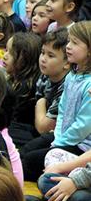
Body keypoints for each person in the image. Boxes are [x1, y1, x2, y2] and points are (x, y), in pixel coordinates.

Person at [20, 21, 91, 181]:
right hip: (64, 137)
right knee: (26, 150)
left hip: (81, 145)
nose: (68, 47)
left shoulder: (89, 83)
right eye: (69, 42)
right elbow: (63, 110)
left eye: (75, 43)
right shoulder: (72, 76)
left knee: (31, 161)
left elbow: (83, 125)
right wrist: (58, 137)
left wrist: (60, 142)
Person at [21, 29, 70, 179]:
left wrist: (41, 102)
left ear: (67, 63)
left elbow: (43, 127)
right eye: (43, 53)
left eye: (51, 55)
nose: (43, 59)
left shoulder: (66, 85)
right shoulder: (44, 76)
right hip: (44, 127)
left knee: (28, 159)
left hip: (60, 136)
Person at [3, 32, 43, 148]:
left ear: (25, 59)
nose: (5, 56)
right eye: (6, 50)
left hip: (24, 135)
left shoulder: (26, 88)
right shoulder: (12, 80)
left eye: (11, 53)